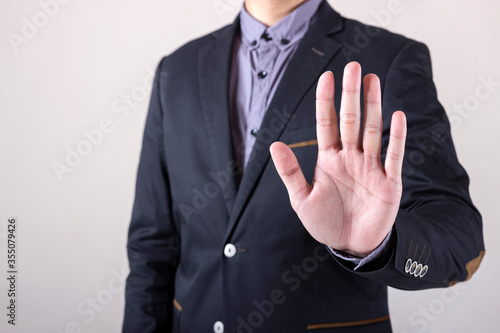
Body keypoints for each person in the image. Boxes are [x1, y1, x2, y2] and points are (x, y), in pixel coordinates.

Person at [123, 0, 485, 332]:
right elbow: (151, 247)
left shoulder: (389, 58)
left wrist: (380, 244)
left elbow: (463, 244)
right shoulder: (176, 70)